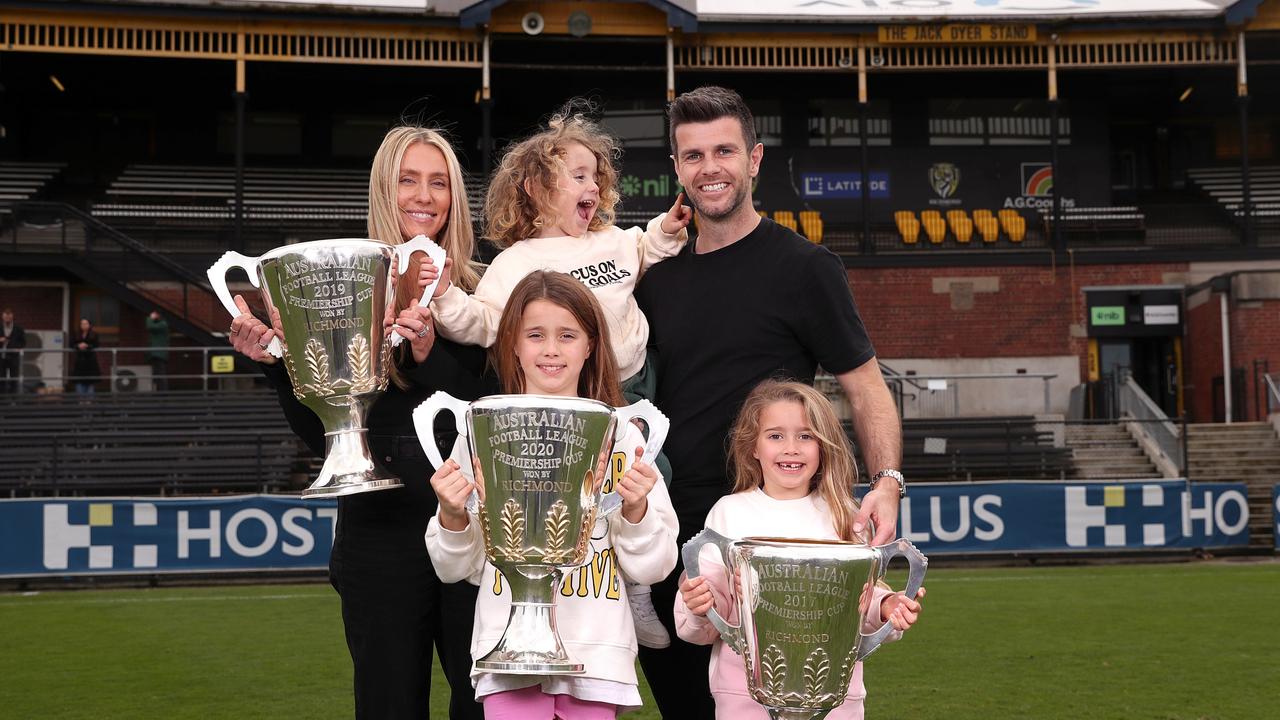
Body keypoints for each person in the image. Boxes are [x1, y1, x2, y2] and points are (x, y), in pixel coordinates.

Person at [634, 85, 905, 717]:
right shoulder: (656, 281)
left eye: (724, 150)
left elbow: (865, 385)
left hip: (777, 539)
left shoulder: (806, 268)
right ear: (677, 168)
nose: (710, 168)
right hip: (677, 538)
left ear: (754, 159)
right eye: (694, 155)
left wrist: (887, 479)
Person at [226, 126, 486, 719]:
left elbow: (488, 406)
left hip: (472, 519)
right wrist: (274, 365)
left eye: (439, 181)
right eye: (408, 181)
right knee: (387, 703)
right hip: (379, 525)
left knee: (481, 705)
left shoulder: (482, 285)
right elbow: (318, 430)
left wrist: (428, 357)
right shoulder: (341, 282)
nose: (424, 196)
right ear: (383, 191)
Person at [428, 107, 691, 648]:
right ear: (535, 186)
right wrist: (445, 295)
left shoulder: (616, 242)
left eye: (597, 176)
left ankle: (637, 591)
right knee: (570, 497)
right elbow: (480, 323)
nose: (591, 185)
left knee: (647, 472)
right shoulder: (514, 263)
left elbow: (650, 250)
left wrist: (666, 230)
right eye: (577, 175)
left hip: (628, 386)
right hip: (555, 398)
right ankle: (547, 592)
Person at [426, 270, 679, 719]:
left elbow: (656, 566)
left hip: (596, 653)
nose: (551, 349)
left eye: (567, 335)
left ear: (590, 346)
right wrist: (452, 515)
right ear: (513, 345)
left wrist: (637, 510)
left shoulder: (624, 437)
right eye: (536, 335)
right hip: (506, 653)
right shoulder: (481, 431)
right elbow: (454, 569)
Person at [675, 380, 925, 719]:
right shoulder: (729, 512)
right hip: (745, 697)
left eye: (805, 436)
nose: (791, 448)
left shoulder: (847, 516)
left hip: (834, 700)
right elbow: (708, 617)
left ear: (823, 446)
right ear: (753, 446)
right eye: (775, 436)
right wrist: (700, 602)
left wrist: (886, 606)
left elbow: (858, 605)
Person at [70, 318, 101, 396]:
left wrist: (87, 346)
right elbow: (71, 344)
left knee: (90, 380)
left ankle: (89, 401)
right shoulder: (76, 334)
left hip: (90, 361)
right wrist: (78, 345)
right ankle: (81, 400)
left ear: (89, 325)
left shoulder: (94, 334)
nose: (83, 325)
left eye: (85, 323)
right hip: (80, 361)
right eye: (82, 324)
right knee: (79, 381)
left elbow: (96, 345)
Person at [0, 308, 25, 394]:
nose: (7, 319)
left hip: (14, 357)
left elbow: (23, 342)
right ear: (2, 317)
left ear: (12, 317)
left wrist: (17, 348)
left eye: (9, 318)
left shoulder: (19, 329)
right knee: (1, 379)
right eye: (6, 317)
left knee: (14, 379)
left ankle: (13, 400)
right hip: (1, 358)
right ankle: (2, 400)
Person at [145, 310, 169, 391]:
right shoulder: (160, 324)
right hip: (155, 354)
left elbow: (150, 326)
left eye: (155, 314)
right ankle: (159, 392)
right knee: (157, 374)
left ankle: (163, 394)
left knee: (160, 374)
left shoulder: (162, 324)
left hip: (159, 354)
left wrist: (149, 318)